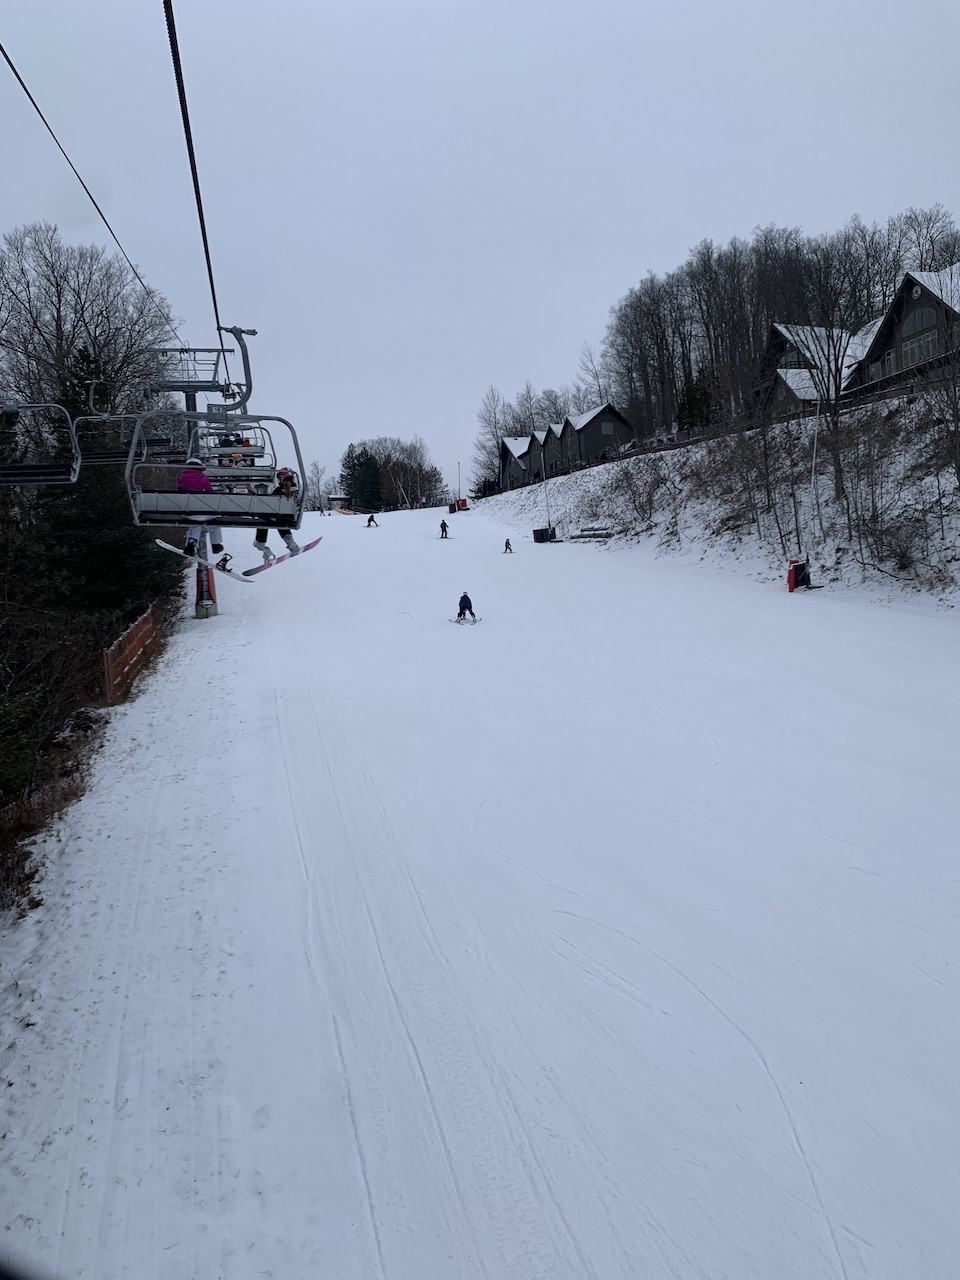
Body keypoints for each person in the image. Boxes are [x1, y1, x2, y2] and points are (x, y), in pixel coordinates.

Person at [177, 457, 224, 556]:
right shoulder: (202, 478)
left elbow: (179, 492)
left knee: (195, 524)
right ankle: (216, 543)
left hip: (189, 511)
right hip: (202, 511)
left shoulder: (181, 478)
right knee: (214, 521)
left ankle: (192, 543)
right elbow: (209, 492)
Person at [253, 467, 300, 562]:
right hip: (288, 518)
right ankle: (291, 544)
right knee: (282, 523)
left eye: (281, 477)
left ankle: (261, 546)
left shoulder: (279, 490)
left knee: (263, 521)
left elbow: (270, 502)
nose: (280, 479)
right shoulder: (295, 490)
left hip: (276, 516)